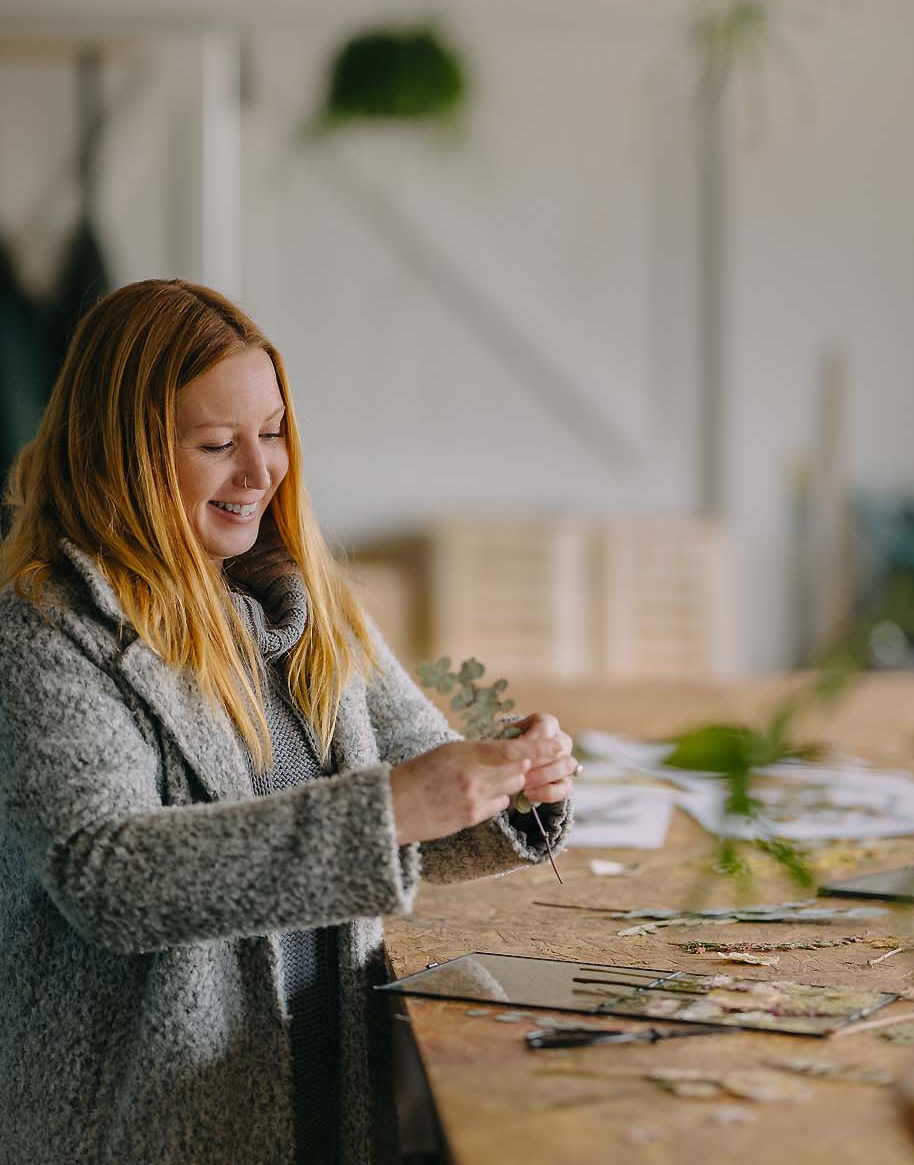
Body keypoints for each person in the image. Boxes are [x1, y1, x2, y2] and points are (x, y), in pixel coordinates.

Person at [0, 279, 576, 1165]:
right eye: (217, 443)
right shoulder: (43, 629)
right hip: (144, 1117)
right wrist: (393, 809)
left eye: (272, 434)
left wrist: (513, 786)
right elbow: (106, 876)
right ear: (124, 451)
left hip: (317, 1075)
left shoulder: (307, 605)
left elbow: (420, 798)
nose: (260, 471)